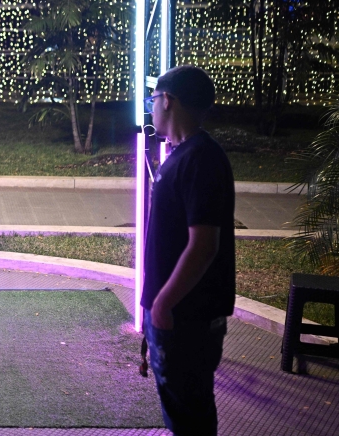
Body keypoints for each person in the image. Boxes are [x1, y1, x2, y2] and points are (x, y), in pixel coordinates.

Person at [141, 65, 235, 436]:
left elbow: (204, 245)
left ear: (167, 100)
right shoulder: (185, 154)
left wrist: (163, 304)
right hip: (175, 316)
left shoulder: (201, 160)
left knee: (190, 417)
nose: (151, 108)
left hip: (186, 319)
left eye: (152, 99)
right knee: (182, 413)